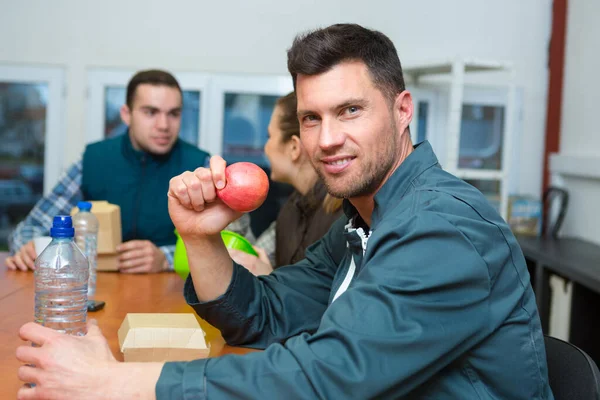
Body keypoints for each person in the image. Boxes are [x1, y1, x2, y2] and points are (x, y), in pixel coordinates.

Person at [15, 24, 553, 399]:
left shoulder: (443, 228)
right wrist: (200, 238)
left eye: (350, 110)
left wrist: (114, 386)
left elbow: (332, 379)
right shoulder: (362, 224)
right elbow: (265, 314)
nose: (328, 139)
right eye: (311, 118)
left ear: (402, 109)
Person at [6, 69, 251, 274]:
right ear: (126, 114)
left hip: (173, 298)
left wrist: (165, 257)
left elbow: (234, 246)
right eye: (150, 112)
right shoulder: (94, 159)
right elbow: (31, 227)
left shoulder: (201, 165)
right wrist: (31, 246)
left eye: (173, 114)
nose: (163, 125)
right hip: (95, 293)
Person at [230, 92, 343, 275]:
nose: (265, 148)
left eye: (269, 137)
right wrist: (234, 212)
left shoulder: (342, 219)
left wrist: (269, 280)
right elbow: (251, 258)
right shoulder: (292, 208)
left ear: (293, 147)